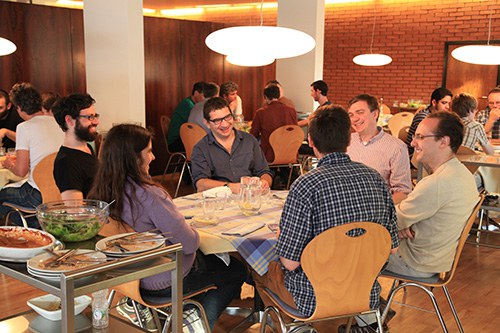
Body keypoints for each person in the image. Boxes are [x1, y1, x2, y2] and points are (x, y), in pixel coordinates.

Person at [253, 105, 399, 332]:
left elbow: (290, 263)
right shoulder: (375, 179)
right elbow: (391, 248)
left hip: (311, 297)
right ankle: (362, 323)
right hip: (365, 291)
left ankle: (299, 328)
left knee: (258, 268)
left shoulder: (306, 185)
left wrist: (286, 238)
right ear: (349, 140)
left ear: (310, 141)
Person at [88, 124, 246, 330]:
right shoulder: (150, 195)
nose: (153, 157)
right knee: (236, 269)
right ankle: (193, 319)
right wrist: (195, 232)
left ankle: (166, 312)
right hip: (165, 278)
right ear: (133, 158)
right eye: (149, 152)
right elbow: (189, 244)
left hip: (127, 278)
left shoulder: (102, 193)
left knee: (217, 264)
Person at [385, 112, 478, 280]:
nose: (413, 143)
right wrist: (401, 228)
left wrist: (398, 228)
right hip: (436, 259)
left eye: (420, 137)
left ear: (444, 141)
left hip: (413, 262)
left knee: (350, 250)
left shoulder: (437, 182)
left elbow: (390, 220)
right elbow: (400, 219)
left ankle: (368, 305)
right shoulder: (461, 173)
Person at [0, 83, 64, 228]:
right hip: (60, 191)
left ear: (20, 108)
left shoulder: (24, 128)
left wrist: (8, 164)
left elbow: (21, 171)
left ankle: (32, 225)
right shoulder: (57, 123)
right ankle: (40, 223)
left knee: (2, 192)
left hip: (35, 195)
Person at [191, 97, 272, 194]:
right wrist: (230, 187)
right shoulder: (201, 148)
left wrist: (264, 182)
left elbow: (264, 172)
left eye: (228, 117)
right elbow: (200, 184)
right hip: (219, 202)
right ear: (207, 123)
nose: (224, 124)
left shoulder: (249, 140)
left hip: (249, 199)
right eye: (217, 121)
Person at [346, 94, 412, 204]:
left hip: (376, 213)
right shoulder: (346, 142)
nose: (355, 119)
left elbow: (402, 193)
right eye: (351, 115)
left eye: (360, 113)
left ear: (375, 114)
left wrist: (378, 209)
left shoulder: (396, 147)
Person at [52, 93, 100, 200]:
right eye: (90, 117)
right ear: (69, 120)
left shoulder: (87, 147)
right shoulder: (66, 163)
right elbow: (76, 212)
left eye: (95, 116)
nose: (96, 122)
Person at [250, 84, 298, 162]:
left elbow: (253, 134)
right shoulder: (291, 111)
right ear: (279, 96)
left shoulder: (261, 112)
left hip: (270, 154)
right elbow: (295, 131)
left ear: (265, 97)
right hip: (290, 153)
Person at [406, 87, 453, 155]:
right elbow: (426, 140)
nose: (447, 107)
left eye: (449, 103)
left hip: (427, 152)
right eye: (444, 103)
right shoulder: (423, 116)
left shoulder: (439, 117)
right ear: (434, 102)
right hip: (414, 155)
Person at [167, 81, 206, 152]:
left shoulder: (190, 103)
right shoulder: (188, 105)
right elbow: (196, 126)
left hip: (182, 138)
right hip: (176, 141)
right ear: (196, 93)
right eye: (203, 96)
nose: (205, 99)